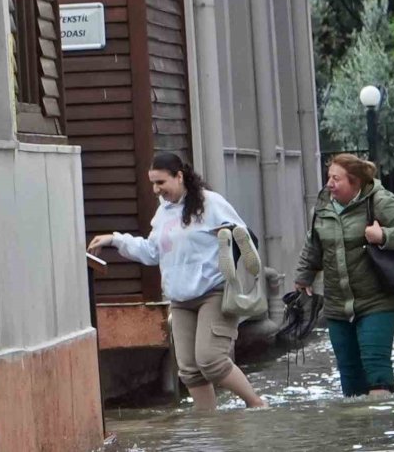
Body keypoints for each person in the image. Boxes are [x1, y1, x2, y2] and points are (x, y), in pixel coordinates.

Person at [88, 152, 266, 410]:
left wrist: (230, 249)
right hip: (180, 300)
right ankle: (208, 426)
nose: (156, 190)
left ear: (179, 176)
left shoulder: (210, 203)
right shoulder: (164, 213)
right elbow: (151, 252)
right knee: (189, 371)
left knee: (211, 361)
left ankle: (257, 405)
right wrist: (115, 240)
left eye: (161, 182)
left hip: (213, 293)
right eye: (152, 183)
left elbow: (247, 240)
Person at [295, 153, 394, 397]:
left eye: (336, 179)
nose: (330, 183)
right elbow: (314, 244)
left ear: (355, 182)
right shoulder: (323, 205)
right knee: (349, 374)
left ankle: (383, 426)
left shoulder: (380, 200)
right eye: (329, 177)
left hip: (378, 299)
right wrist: (304, 275)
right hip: (338, 305)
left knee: (375, 365)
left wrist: (383, 237)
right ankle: (357, 432)